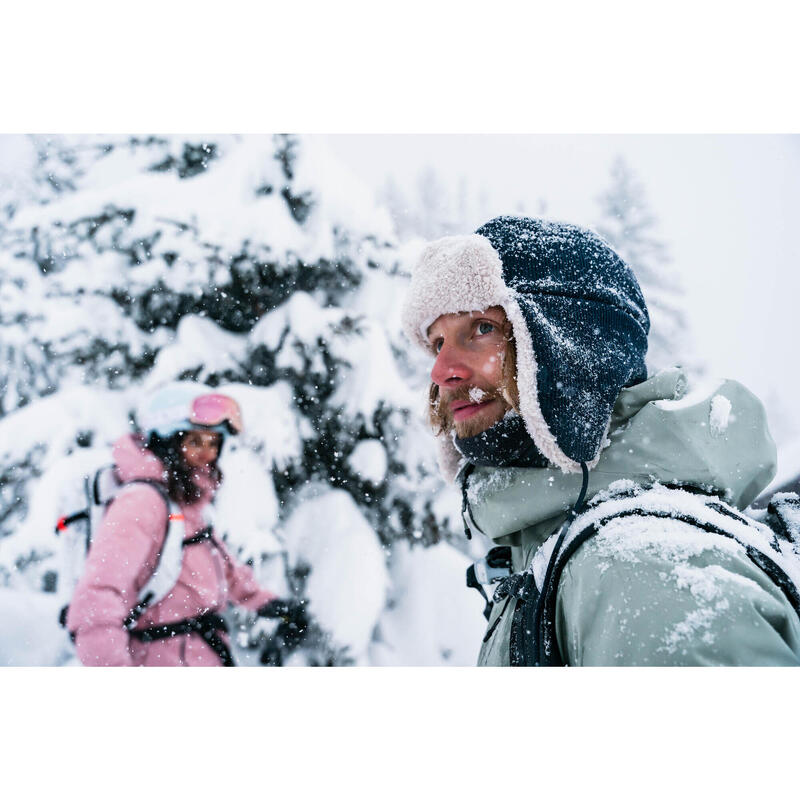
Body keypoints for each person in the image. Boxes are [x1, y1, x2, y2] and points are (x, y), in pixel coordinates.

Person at [401, 215, 800, 666]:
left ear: (571, 345)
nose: (440, 370)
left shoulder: (642, 570)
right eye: (437, 344)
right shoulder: (566, 552)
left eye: (481, 328)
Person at [67, 383, 304, 666]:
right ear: (167, 442)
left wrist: (264, 602)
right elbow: (97, 598)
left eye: (213, 443)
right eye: (195, 442)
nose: (206, 454)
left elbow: (222, 567)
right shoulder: (143, 502)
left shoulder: (185, 503)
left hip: (197, 655)